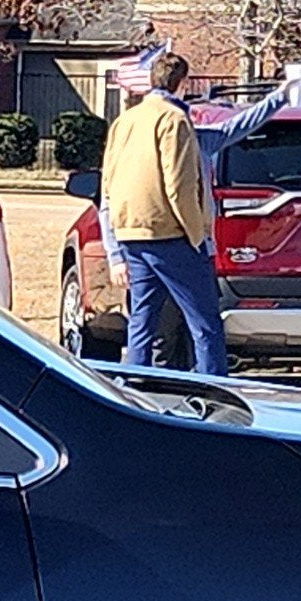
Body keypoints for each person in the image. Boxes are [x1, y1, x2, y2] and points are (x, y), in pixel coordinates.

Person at [101, 51, 227, 375]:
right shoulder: (174, 119)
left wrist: (115, 243)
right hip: (171, 236)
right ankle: (215, 390)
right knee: (205, 323)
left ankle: (134, 388)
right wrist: (198, 234)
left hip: (131, 233)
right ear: (182, 84)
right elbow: (180, 186)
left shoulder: (124, 120)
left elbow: (108, 180)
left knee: (142, 322)